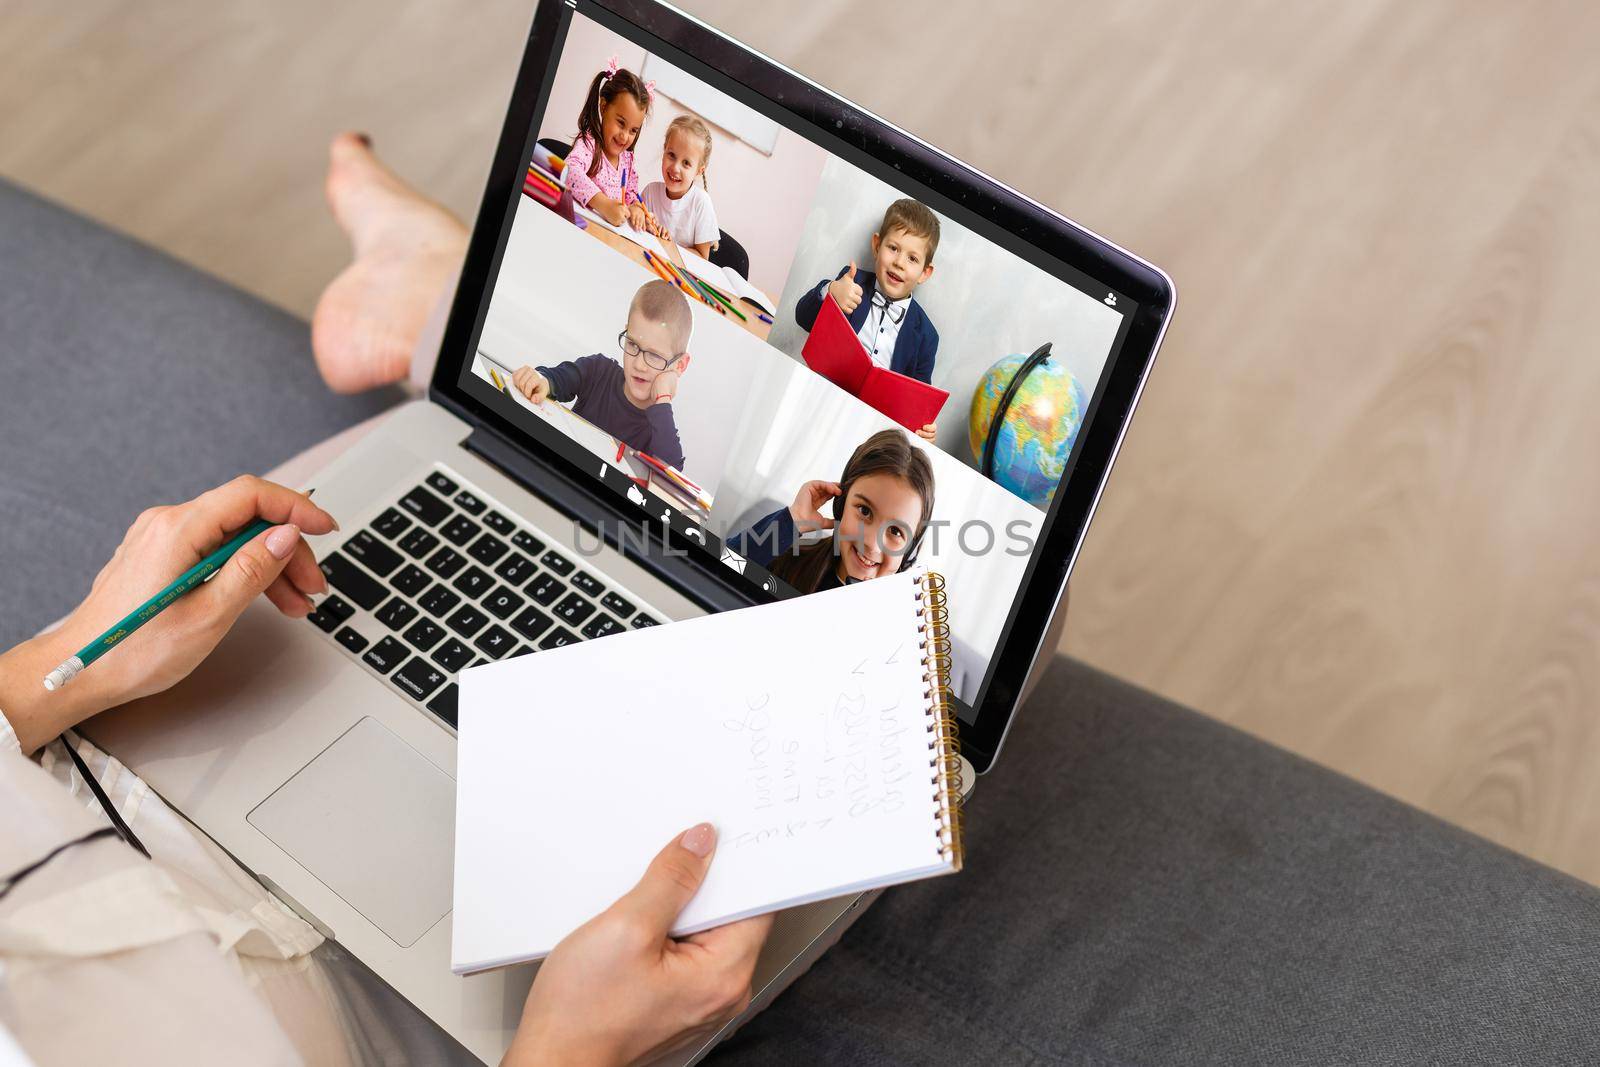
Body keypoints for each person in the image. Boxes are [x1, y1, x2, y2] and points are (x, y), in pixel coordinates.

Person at [0, 475, 771, 1065]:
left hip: (103, 751)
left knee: (423, 475)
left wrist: (61, 663)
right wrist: (568, 1047)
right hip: (403, 1021)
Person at [794, 198, 942, 442]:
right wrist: (830, 291)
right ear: (876, 245)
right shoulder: (851, 282)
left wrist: (922, 430)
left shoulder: (927, 336)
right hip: (820, 403)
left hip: (874, 434)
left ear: (925, 272)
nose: (899, 263)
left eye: (913, 259)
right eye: (893, 248)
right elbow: (803, 317)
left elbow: (917, 401)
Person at [510, 278, 692, 470]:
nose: (639, 364)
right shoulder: (599, 370)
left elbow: (672, 475)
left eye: (654, 356)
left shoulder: (660, 426)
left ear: (679, 365)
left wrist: (663, 399)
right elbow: (557, 379)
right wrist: (543, 380)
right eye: (632, 344)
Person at [730, 429, 935, 593]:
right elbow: (715, 568)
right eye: (864, 511)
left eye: (895, 531)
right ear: (841, 503)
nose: (872, 543)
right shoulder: (789, 562)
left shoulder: (899, 624)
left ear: (910, 548)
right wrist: (792, 520)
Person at [563, 56, 654, 230]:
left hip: (609, 237)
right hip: (579, 228)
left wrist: (636, 209)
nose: (625, 136)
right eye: (621, 123)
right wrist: (604, 204)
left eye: (633, 130)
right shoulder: (589, 145)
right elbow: (569, 170)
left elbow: (630, 195)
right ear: (603, 107)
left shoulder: (627, 160)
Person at [639, 114, 720, 259]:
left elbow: (702, 257)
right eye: (671, 155)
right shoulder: (650, 192)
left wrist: (668, 245)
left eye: (686, 163)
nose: (675, 168)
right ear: (664, 150)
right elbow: (639, 234)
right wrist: (644, 227)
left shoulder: (701, 202)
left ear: (699, 170)